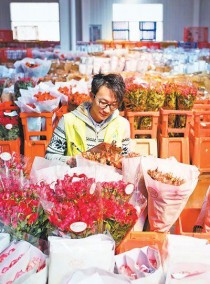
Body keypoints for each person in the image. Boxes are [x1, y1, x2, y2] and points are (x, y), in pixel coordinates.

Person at [45, 73, 131, 166]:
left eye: (113, 105)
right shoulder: (68, 121)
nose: (106, 110)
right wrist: (72, 161)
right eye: (103, 102)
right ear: (91, 96)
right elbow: (49, 157)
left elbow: (126, 160)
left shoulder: (122, 125)